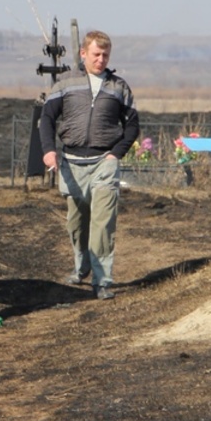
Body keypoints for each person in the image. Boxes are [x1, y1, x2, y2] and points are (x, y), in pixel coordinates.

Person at [38, 30, 139, 300]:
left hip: (104, 163)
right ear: (83, 53)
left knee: (103, 223)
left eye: (105, 54)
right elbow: (47, 118)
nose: (101, 59)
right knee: (77, 224)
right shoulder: (65, 83)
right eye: (96, 54)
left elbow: (132, 126)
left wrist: (116, 153)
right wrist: (49, 151)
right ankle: (81, 266)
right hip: (72, 163)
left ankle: (102, 279)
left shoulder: (118, 87)